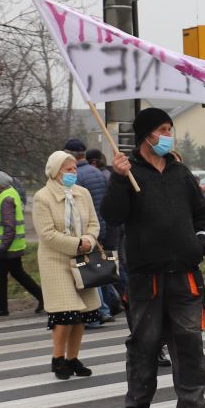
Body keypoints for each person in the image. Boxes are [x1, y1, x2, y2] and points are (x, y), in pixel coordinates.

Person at [104, 108, 205, 408]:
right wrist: (117, 178)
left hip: (184, 274)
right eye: (162, 128)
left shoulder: (180, 172)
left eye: (170, 128)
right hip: (146, 277)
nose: (168, 134)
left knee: (189, 343)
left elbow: (202, 215)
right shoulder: (129, 173)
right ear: (146, 135)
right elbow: (114, 216)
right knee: (146, 342)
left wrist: (201, 242)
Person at [32, 152, 101, 380]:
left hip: (82, 259)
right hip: (56, 261)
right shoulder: (43, 197)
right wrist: (77, 244)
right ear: (55, 171)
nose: (73, 173)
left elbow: (93, 222)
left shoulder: (83, 193)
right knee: (65, 313)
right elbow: (47, 234)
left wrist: (89, 240)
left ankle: (73, 358)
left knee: (81, 312)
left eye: (74, 169)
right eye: (68, 169)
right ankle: (57, 358)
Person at [65, 138, 118, 323]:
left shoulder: (77, 176)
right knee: (99, 267)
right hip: (102, 224)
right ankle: (107, 306)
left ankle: (99, 310)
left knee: (90, 270)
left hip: (87, 228)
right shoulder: (97, 172)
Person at [0, 171, 43, 317]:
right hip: (12, 246)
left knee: (1, 276)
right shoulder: (8, 194)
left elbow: (9, 227)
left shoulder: (6, 198)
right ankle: (42, 297)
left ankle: (2, 308)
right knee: (16, 274)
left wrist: (2, 248)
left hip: (8, 247)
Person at [85, 147, 126, 317]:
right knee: (113, 263)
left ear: (93, 162)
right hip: (113, 227)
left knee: (106, 266)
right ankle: (122, 297)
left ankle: (115, 301)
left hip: (106, 227)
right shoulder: (107, 175)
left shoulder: (101, 176)